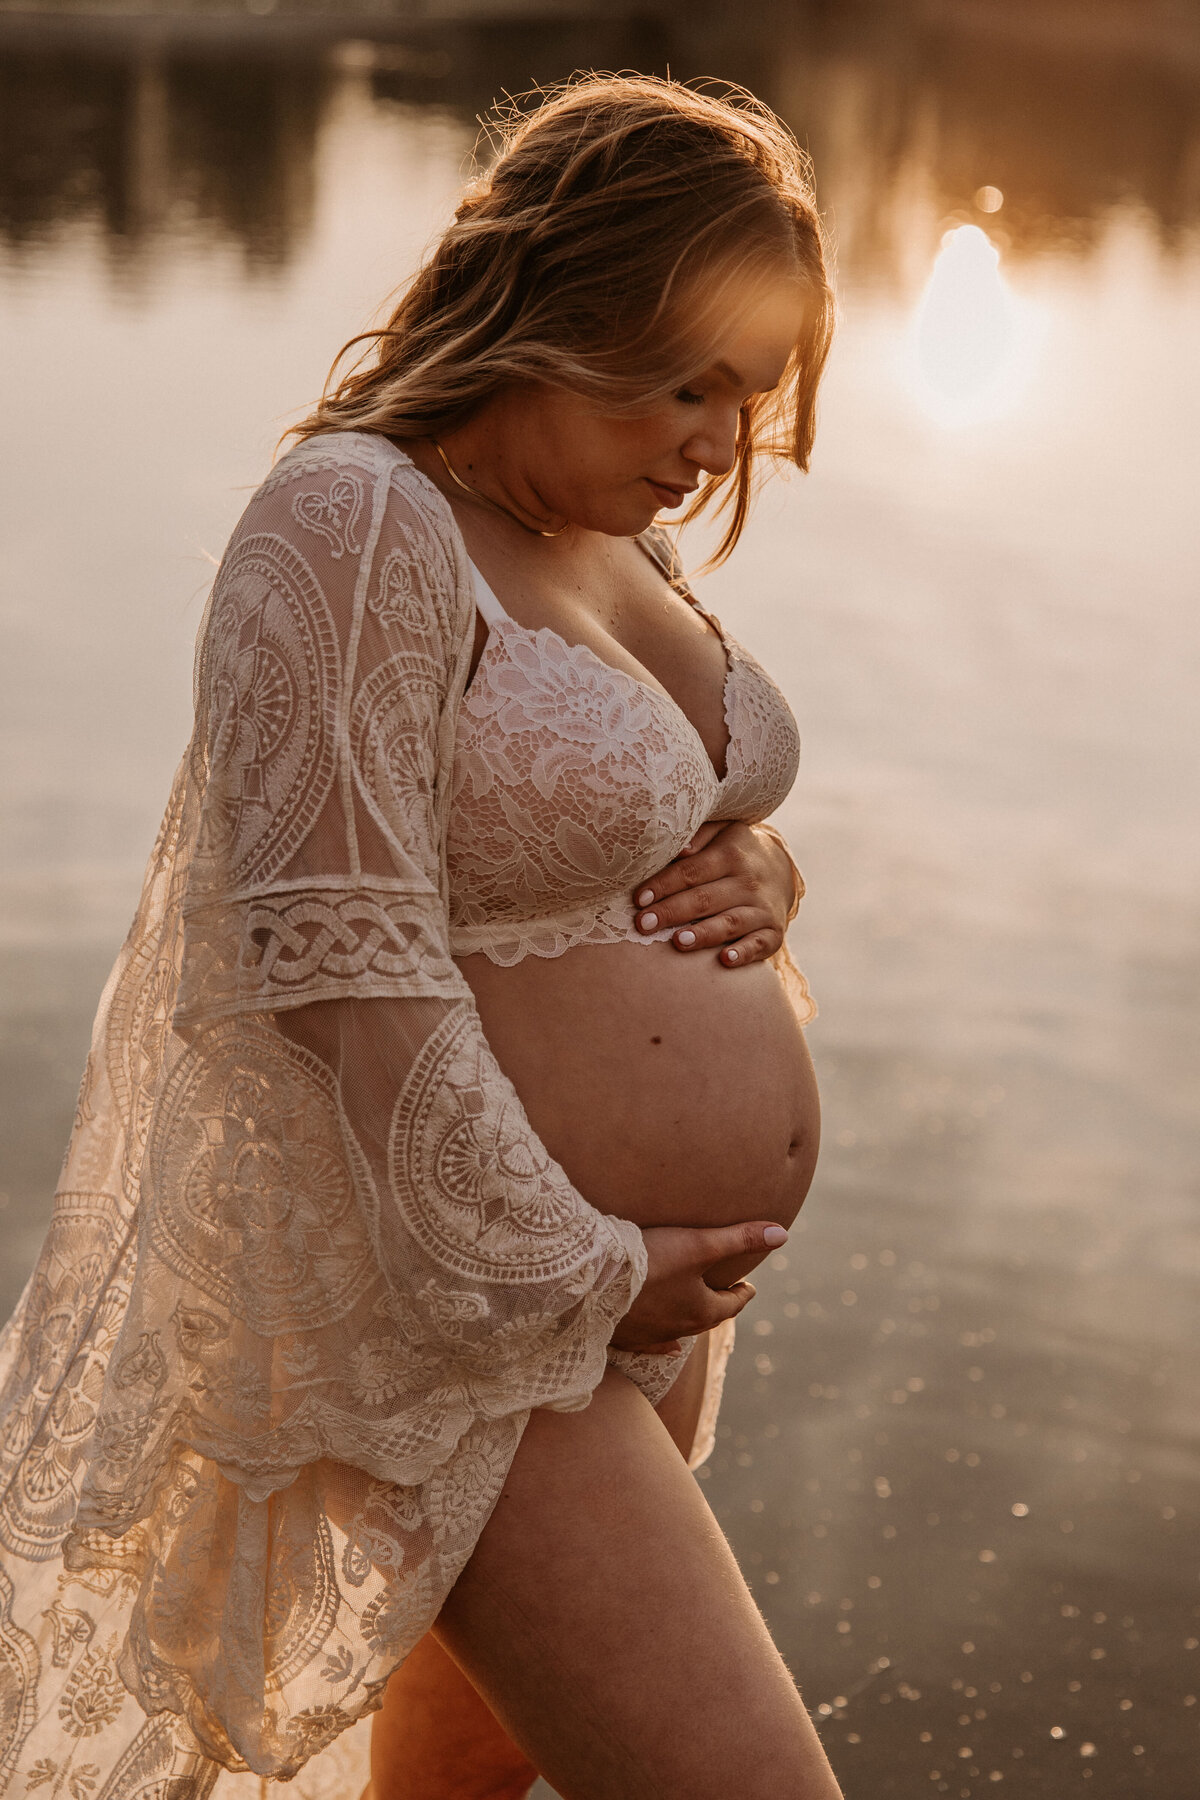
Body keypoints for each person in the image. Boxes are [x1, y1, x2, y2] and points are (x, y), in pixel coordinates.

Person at [0, 74, 840, 1800]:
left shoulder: (608, 536)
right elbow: (346, 982)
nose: (713, 442)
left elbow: (637, 815)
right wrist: (580, 1274)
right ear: (560, 301)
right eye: (685, 382)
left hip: (626, 1313)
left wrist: (767, 869)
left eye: (744, 403)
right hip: (473, 1330)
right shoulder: (350, 524)